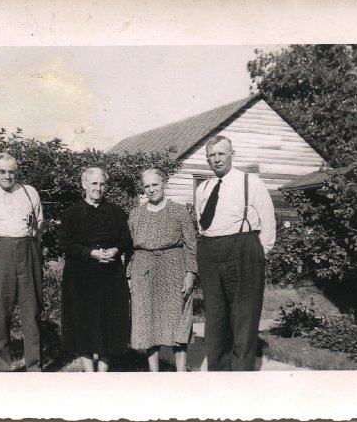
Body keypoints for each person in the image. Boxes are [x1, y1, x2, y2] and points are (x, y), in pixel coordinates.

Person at [195, 135, 276, 371]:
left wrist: (259, 254)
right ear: (207, 159)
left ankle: (241, 379)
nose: (217, 159)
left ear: (232, 154)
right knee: (216, 319)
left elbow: (268, 222)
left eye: (222, 153)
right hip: (210, 251)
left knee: (243, 317)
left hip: (243, 249)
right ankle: (219, 376)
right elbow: (202, 224)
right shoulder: (203, 188)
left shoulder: (251, 183)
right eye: (212, 155)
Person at [59, 168, 132, 372]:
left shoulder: (115, 211)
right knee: (83, 320)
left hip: (110, 275)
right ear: (84, 185)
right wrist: (92, 253)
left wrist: (115, 250)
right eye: (94, 184)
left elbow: (126, 239)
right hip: (80, 276)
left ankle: (102, 372)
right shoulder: (71, 213)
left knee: (110, 320)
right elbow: (65, 244)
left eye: (101, 184)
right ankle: (90, 371)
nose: (98, 188)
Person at [0, 153, 44, 372]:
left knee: (31, 311)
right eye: (2, 171)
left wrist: (29, 249)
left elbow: (39, 226)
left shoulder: (29, 192)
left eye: (11, 171)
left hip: (27, 250)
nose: (7, 176)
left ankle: (34, 366)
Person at [128, 169, 197, 372]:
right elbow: (130, 247)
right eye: (147, 186)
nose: (151, 190)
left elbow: (191, 244)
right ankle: (154, 371)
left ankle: (181, 370)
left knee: (177, 318)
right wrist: (129, 276)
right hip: (144, 270)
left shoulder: (179, 211)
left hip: (174, 267)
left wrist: (190, 273)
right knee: (148, 318)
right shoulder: (136, 214)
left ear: (163, 184)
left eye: (155, 185)